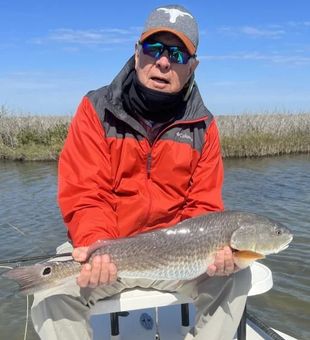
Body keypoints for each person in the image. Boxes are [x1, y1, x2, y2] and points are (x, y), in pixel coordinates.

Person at [31, 4, 251, 340]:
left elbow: (203, 208)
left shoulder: (204, 127)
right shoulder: (95, 110)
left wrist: (215, 253)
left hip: (177, 259)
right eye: (154, 49)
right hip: (106, 249)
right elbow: (86, 193)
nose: (163, 62)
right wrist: (97, 246)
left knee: (237, 276)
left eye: (177, 54)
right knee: (49, 291)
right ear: (137, 54)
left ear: (192, 67)